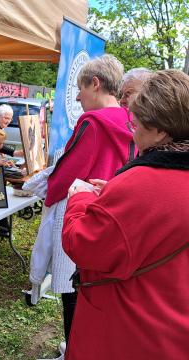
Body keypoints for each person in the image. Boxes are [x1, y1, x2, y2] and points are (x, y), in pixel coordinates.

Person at [62, 69, 189, 360]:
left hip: (129, 328)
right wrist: (117, 197)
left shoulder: (145, 181)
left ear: (160, 130)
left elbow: (84, 244)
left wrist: (80, 199)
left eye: (136, 123)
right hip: (174, 320)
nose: (133, 131)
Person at [29, 54, 135, 359]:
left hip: (85, 212)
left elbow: (68, 172)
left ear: (96, 84)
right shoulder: (132, 120)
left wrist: (46, 193)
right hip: (116, 214)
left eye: (81, 88)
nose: (77, 96)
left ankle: (75, 350)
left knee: (74, 287)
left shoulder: (92, 121)